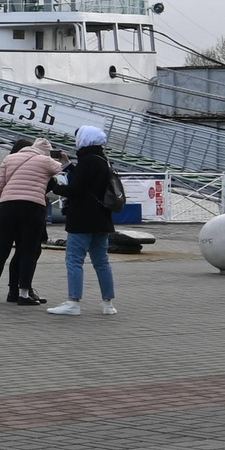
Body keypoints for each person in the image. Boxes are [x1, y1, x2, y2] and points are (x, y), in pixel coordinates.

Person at [48, 124, 124, 316]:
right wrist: (68, 166)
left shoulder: (87, 161)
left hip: (82, 219)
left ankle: (73, 303)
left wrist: (55, 187)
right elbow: (88, 183)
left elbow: (76, 189)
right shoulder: (103, 160)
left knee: (74, 260)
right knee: (102, 262)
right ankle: (108, 304)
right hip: (102, 219)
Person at [0, 137, 56, 305]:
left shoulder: (9, 160)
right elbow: (59, 173)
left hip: (7, 208)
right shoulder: (42, 161)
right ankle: (23, 293)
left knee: (0, 251)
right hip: (33, 209)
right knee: (28, 252)